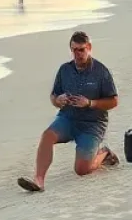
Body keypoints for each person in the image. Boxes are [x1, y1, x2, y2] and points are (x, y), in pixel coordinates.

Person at [17, 31, 119, 193]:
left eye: (81, 50)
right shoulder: (65, 70)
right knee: (47, 136)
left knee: (82, 170)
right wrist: (59, 100)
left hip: (92, 125)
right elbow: (53, 96)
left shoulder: (101, 71)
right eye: (74, 50)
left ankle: (104, 154)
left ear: (89, 48)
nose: (78, 54)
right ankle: (39, 181)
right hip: (68, 118)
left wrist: (90, 103)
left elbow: (114, 101)